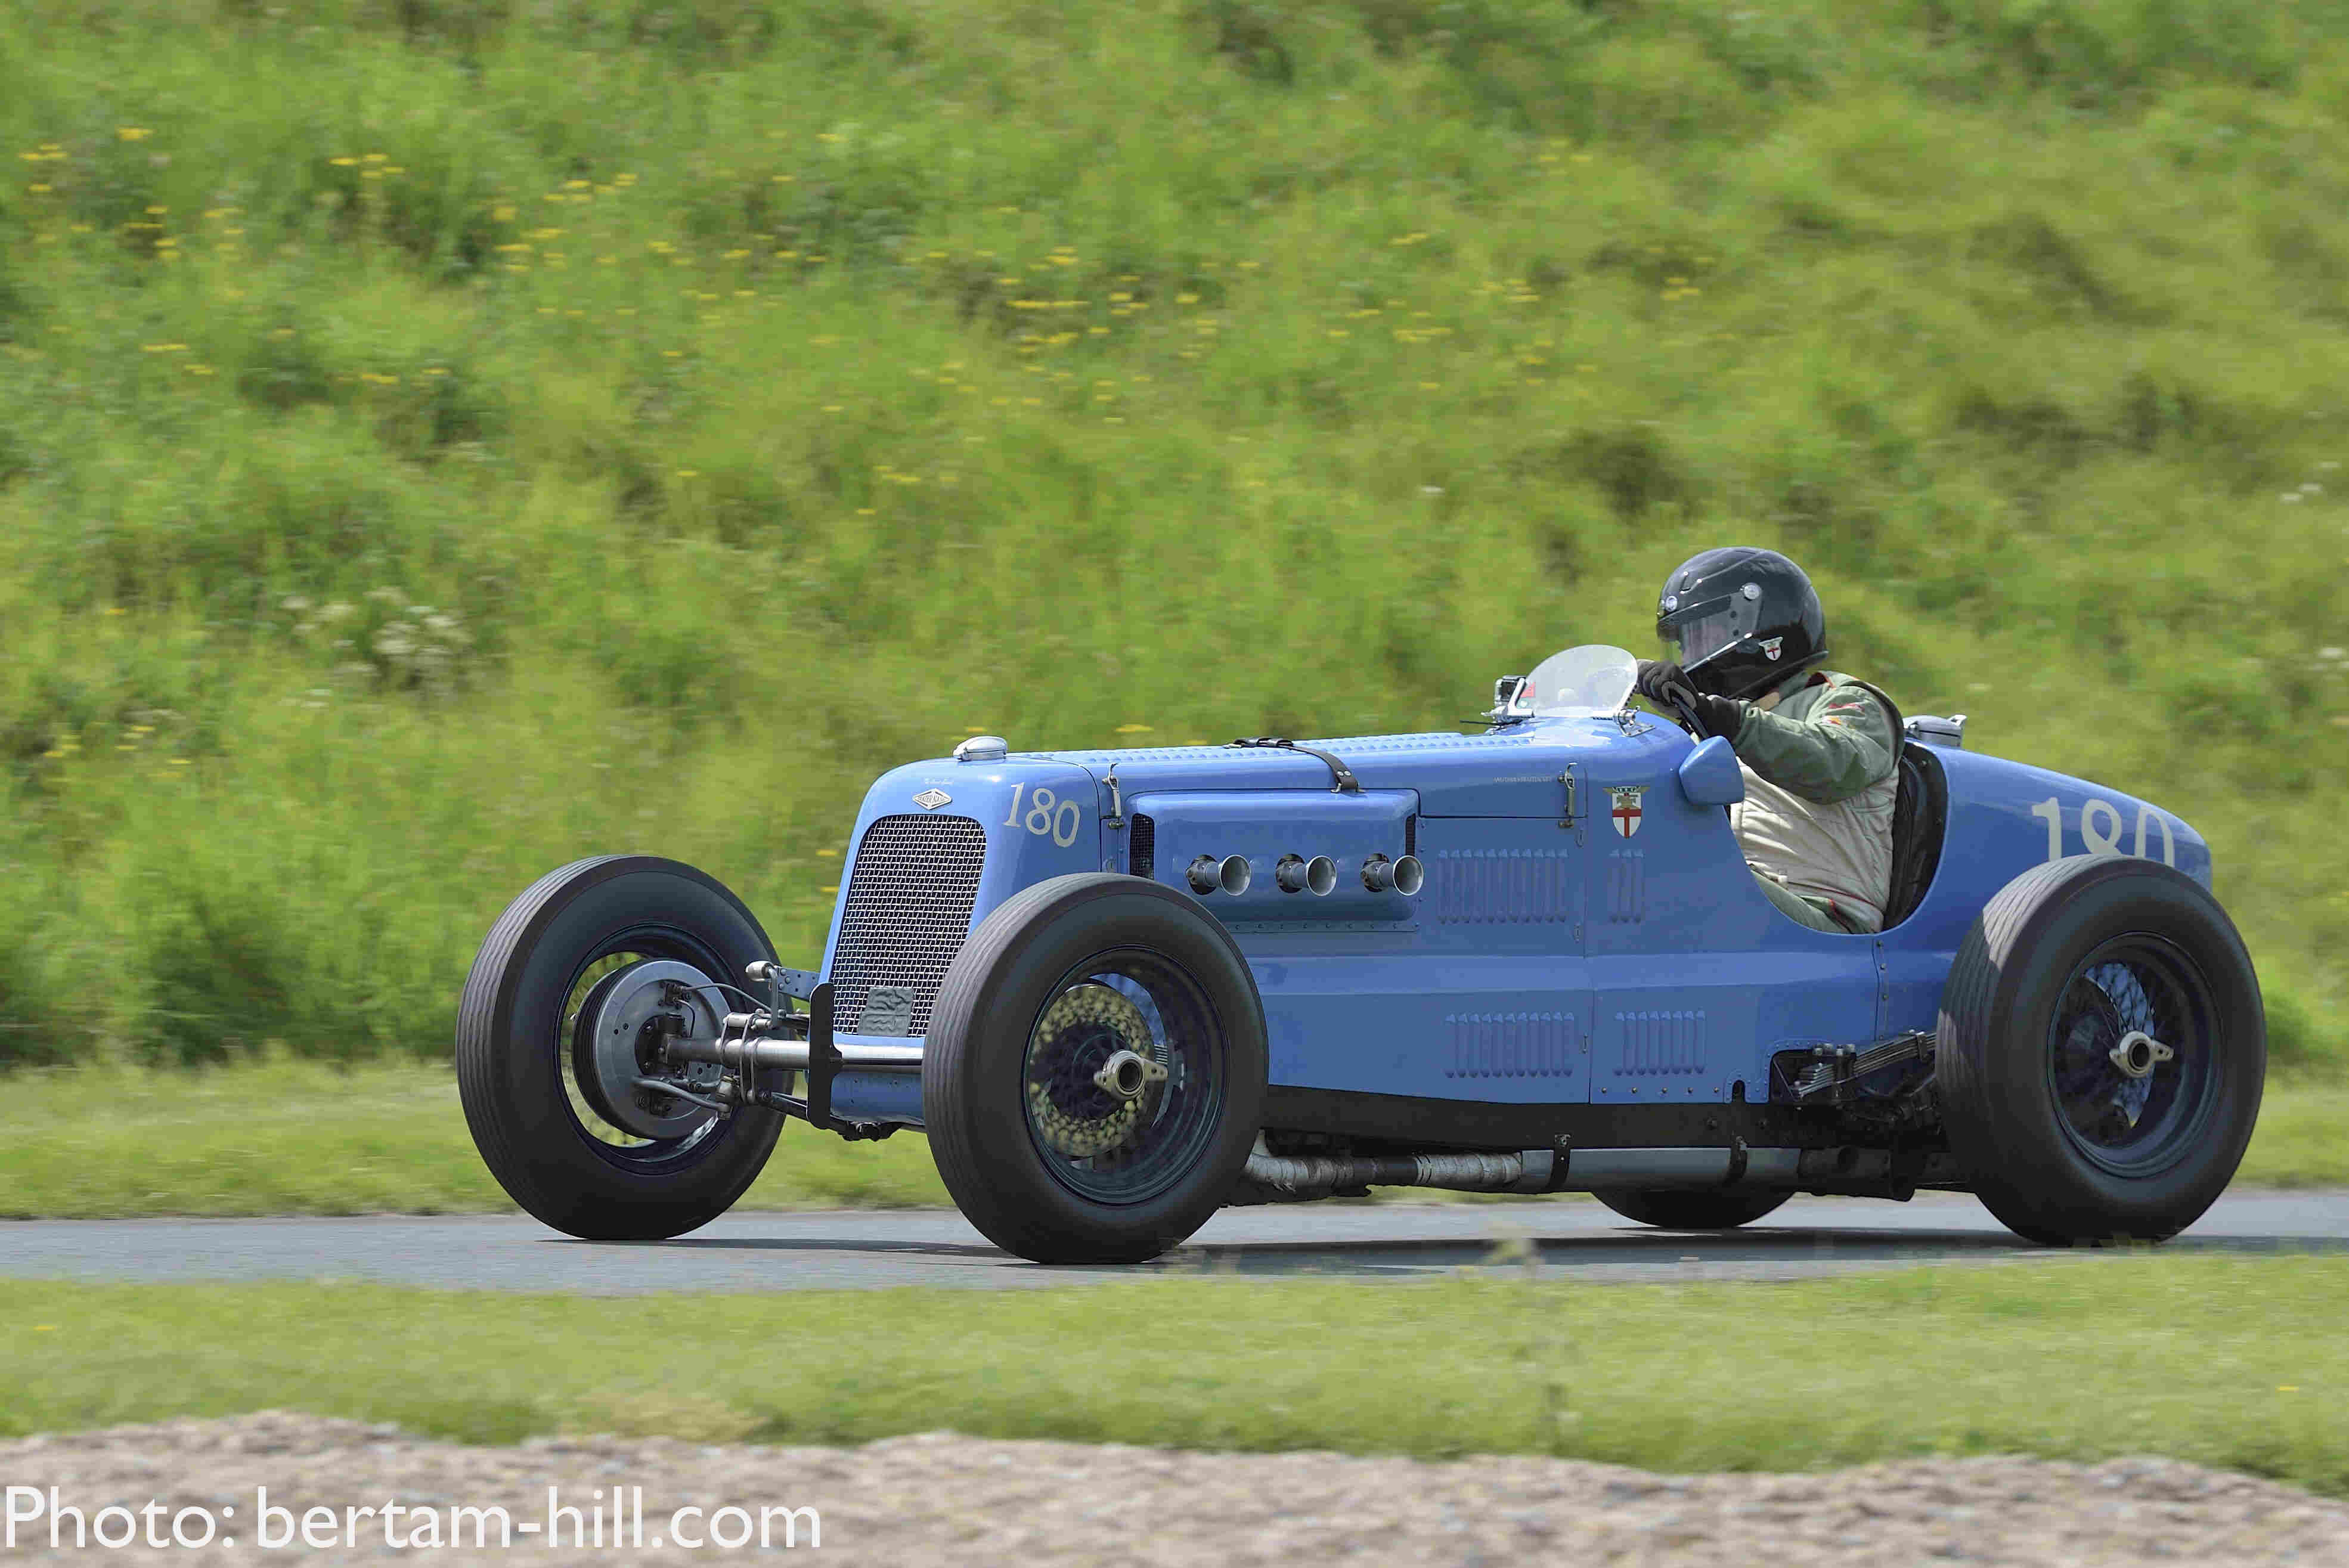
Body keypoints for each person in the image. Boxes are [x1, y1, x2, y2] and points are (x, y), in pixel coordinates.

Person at [1634, 548, 1902, 934]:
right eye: (1684, 643)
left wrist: (1721, 717)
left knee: (1676, 872)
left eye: (1703, 634)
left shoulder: (1847, 700)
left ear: (1761, 633)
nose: (1690, 654)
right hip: (1737, 895)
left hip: (1822, 915)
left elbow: (1832, 764)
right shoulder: (1704, 728)